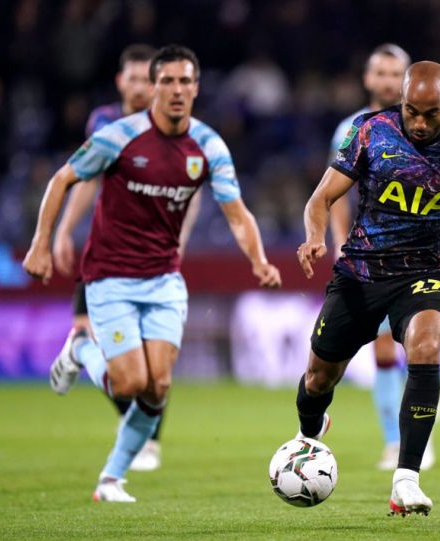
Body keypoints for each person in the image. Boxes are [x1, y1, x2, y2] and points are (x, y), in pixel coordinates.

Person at [23, 44, 281, 502]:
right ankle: (82, 349)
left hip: (164, 279)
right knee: (129, 383)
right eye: (168, 81)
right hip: (110, 277)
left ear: (197, 88)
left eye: (186, 81)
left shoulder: (209, 146)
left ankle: (110, 480)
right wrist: (42, 243)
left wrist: (258, 260)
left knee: (157, 387)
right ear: (154, 87)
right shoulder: (117, 137)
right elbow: (62, 180)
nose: (177, 90)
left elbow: (237, 213)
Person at [295, 60, 440, 516]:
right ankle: (309, 431)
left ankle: (406, 478)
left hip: (424, 272)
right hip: (361, 272)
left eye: (432, 113)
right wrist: (314, 236)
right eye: (413, 111)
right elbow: (321, 198)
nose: (421, 122)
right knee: (317, 379)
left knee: (426, 346)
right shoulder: (372, 130)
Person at [49, 43, 196, 472]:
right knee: (122, 365)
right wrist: (62, 232)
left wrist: (180, 237)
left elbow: (194, 189)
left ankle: (148, 440)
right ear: (120, 82)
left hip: (155, 256)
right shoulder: (107, 124)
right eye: (131, 79)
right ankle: (88, 360)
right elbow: (85, 180)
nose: (138, 87)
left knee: (156, 365)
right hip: (107, 253)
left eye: (144, 80)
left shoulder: (177, 129)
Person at [328, 43, 439, 471]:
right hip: (368, 258)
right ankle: (396, 441)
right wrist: (339, 241)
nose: (389, 81)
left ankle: (412, 437)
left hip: (420, 258)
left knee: (419, 348)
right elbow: (334, 189)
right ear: (368, 79)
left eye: (397, 73)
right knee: (381, 352)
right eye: (382, 73)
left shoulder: (433, 129)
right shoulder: (353, 128)